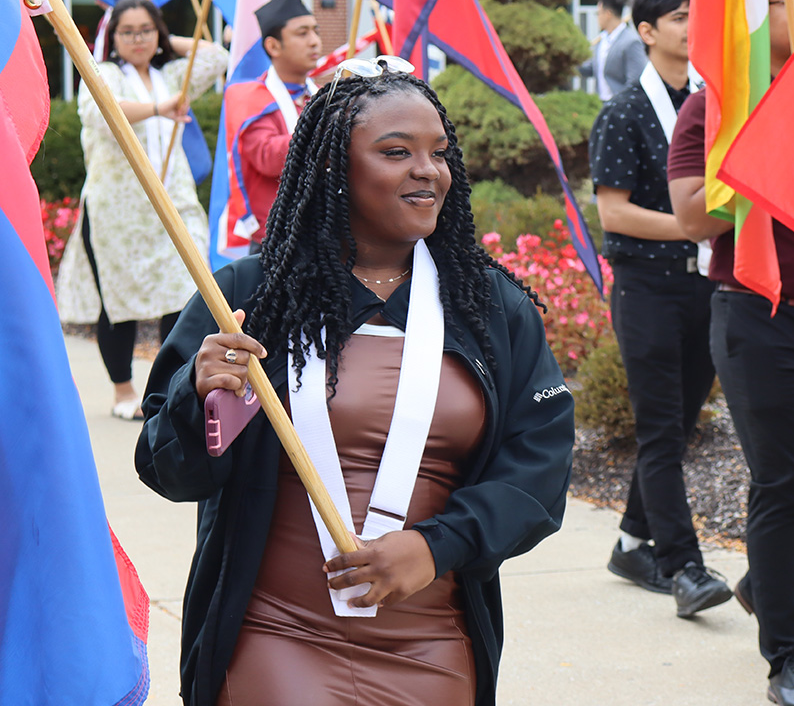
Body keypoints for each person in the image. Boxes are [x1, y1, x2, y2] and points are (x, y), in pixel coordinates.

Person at [135, 59, 575, 706]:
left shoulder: (491, 308)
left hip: (433, 641)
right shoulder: (249, 296)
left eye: (439, 153)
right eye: (397, 152)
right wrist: (197, 400)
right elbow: (169, 470)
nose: (428, 169)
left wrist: (437, 546)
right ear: (333, 172)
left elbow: (539, 469)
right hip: (274, 634)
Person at [668, 0, 794, 706]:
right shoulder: (719, 102)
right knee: (785, 481)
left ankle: (767, 580)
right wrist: (769, 151)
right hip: (759, 315)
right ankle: (788, 654)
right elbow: (692, 215)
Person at [589, 0, 732, 617]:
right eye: (680, 17)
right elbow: (614, 214)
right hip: (647, 288)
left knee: (676, 429)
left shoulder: (714, 105)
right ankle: (685, 567)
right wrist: (697, 223)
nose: (692, 25)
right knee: (660, 428)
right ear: (646, 32)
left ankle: (629, 543)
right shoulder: (622, 112)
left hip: (706, 285)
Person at [56, 0, 228, 420]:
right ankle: (122, 391)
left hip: (172, 205)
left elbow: (215, 55)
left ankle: (165, 387)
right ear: (112, 37)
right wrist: (159, 108)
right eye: (128, 31)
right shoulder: (102, 73)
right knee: (119, 304)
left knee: (182, 294)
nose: (137, 38)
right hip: (118, 213)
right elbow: (104, 112)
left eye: (146, 29)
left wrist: (167, 41)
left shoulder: (169, 73)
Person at [222, 0, 321, 252]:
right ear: (273, 45)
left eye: (315, 30)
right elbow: (267, 157)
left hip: (326, 231)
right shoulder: (249, 97)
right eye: (302, 33)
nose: (314, 41)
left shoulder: (322, 96)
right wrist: (327, 130)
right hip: (276, 237)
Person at [579, 0, 647, 101]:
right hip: (601, 103)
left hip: (620, 105)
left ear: (608, 14)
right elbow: (592, 68)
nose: (597, 17)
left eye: (598, 13)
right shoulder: (602, 39)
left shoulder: (631, 41)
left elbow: (635, 81)